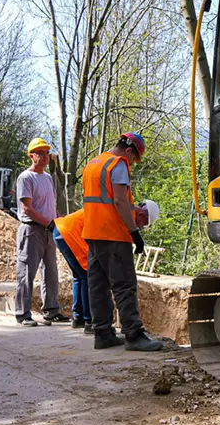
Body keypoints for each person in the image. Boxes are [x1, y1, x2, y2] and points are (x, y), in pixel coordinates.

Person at [82, 133, 164, 352]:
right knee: (124, 285)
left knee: (98, 286)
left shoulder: (94, 163)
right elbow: (119, 200)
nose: (132, 164)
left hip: (92, 231)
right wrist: (134, 232)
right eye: (134, 159)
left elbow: (100, 200)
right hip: (113, 234)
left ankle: (103, 333)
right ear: (129, 150)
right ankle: (134, 334)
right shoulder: (118, 165)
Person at [53, 199, 160, 334]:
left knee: (80, 276)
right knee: (87, 276)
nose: (139, 227)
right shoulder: (126, 215)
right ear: (141, 216)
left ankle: (79, 318)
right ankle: (89, 321)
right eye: (143, 224)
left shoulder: (123, 208)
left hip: (62, 230)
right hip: (70, 233)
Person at [14, 137, 67, 327]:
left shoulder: (47, 177)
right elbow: (27, 209)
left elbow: (48, 206)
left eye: (46, 153)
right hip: (32, 230)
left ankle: (51, 310)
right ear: (31, 156)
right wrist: (49, 223)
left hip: (48, 230)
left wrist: (59, 220)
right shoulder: (26, 178)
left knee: (51, 273)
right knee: (26, 273)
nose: (45, 156)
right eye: (40, 153)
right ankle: (22, 313)